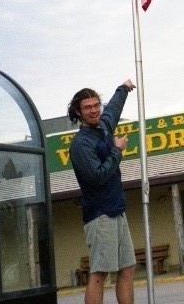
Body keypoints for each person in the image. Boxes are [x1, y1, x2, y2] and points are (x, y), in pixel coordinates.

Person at [67, 79, 137, 304]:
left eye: (96, 105)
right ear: (79, 112)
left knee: (127, 268)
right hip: (100, 215)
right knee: (99, 275)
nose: (94, 110)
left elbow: (114, 108)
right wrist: (117, 151)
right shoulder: (80, 144)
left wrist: (124, 88)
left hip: (117, 209)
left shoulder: (104, 126)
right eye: (88, 107)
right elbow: (98, 176)